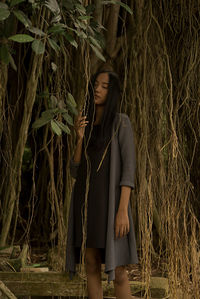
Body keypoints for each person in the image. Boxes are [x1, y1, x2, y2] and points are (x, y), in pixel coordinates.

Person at [66, 70, 138, 299]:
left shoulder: (121, 123)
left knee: (118, 271)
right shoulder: (86, 123)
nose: (97, 89)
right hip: (86, 204)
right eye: (96, 84)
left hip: (111, 207)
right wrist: (79, 138)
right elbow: (74, 171)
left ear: (113, 92)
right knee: (90, 264)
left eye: (104, 86)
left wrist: (122, 211)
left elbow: (128, 171)